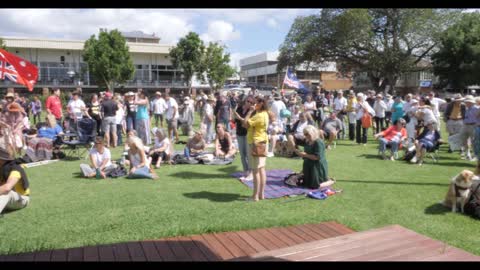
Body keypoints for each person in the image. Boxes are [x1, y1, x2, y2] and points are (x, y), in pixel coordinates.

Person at [242, 96, 269, 202]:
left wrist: (250, 112)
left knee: (255, 170)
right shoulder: (265, 113)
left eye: (255, 103)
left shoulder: (258, 115)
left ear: (261, 104)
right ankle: (261, 194)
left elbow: (245, 123)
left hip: (255, 143)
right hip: (263, 142)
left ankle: (255, 196)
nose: (253, 105)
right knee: (261, 169)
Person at [294, 125, 334, 189]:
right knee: (305, 184)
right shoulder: (307, 141)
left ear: (313, 132)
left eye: (307, 134)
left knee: (315, 186)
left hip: (317, 166)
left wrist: (304, 155)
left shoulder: (318, 142)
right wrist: (300, 153)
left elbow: (317, 157)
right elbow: (307, 154)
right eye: (304, 134)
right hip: (308, 165)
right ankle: (326, 178)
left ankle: (331, 181)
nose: (306, 136)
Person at [0, 147, 30, 216]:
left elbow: (7, 188)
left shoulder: (15, 168)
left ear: (1, 159)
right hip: (5, 200)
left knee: (7, 193)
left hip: (21, 199)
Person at [233, 96, 253, 181]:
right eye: (248, 101)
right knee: (242, 154)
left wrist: (240, 118)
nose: (249, 103)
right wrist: (237, 118)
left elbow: (246, 124)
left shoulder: (251, 112)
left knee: (249, 155)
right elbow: (235, 120)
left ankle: (250, 171)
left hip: (247, 134)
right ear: (245, 101)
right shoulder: (240, 109)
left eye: (251, 102)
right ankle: (245, 171)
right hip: (239, 133)